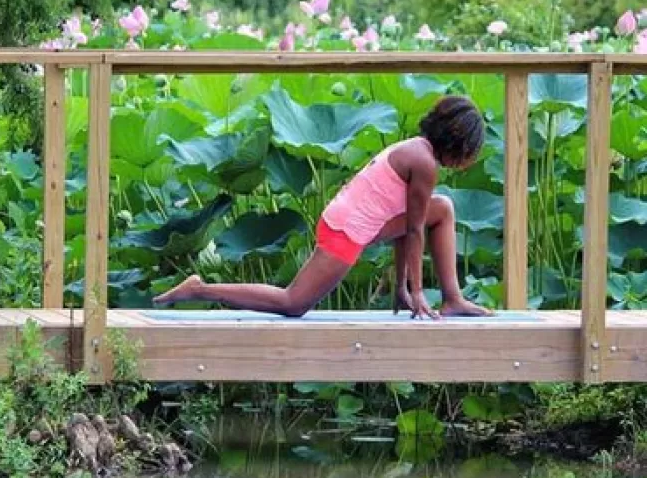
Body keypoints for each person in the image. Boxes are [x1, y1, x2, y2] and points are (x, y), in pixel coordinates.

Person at [153, 95, 493, 319]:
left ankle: (453, 298)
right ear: (458, 144)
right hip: (346, 229)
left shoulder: (417, 148)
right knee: (293, 303)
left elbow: (408, 225)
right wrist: (418, 292)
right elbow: (415, 230)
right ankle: (199, 288)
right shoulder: (424, 162)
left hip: (363, 223)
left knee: (443, 207)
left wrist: (402, 289)